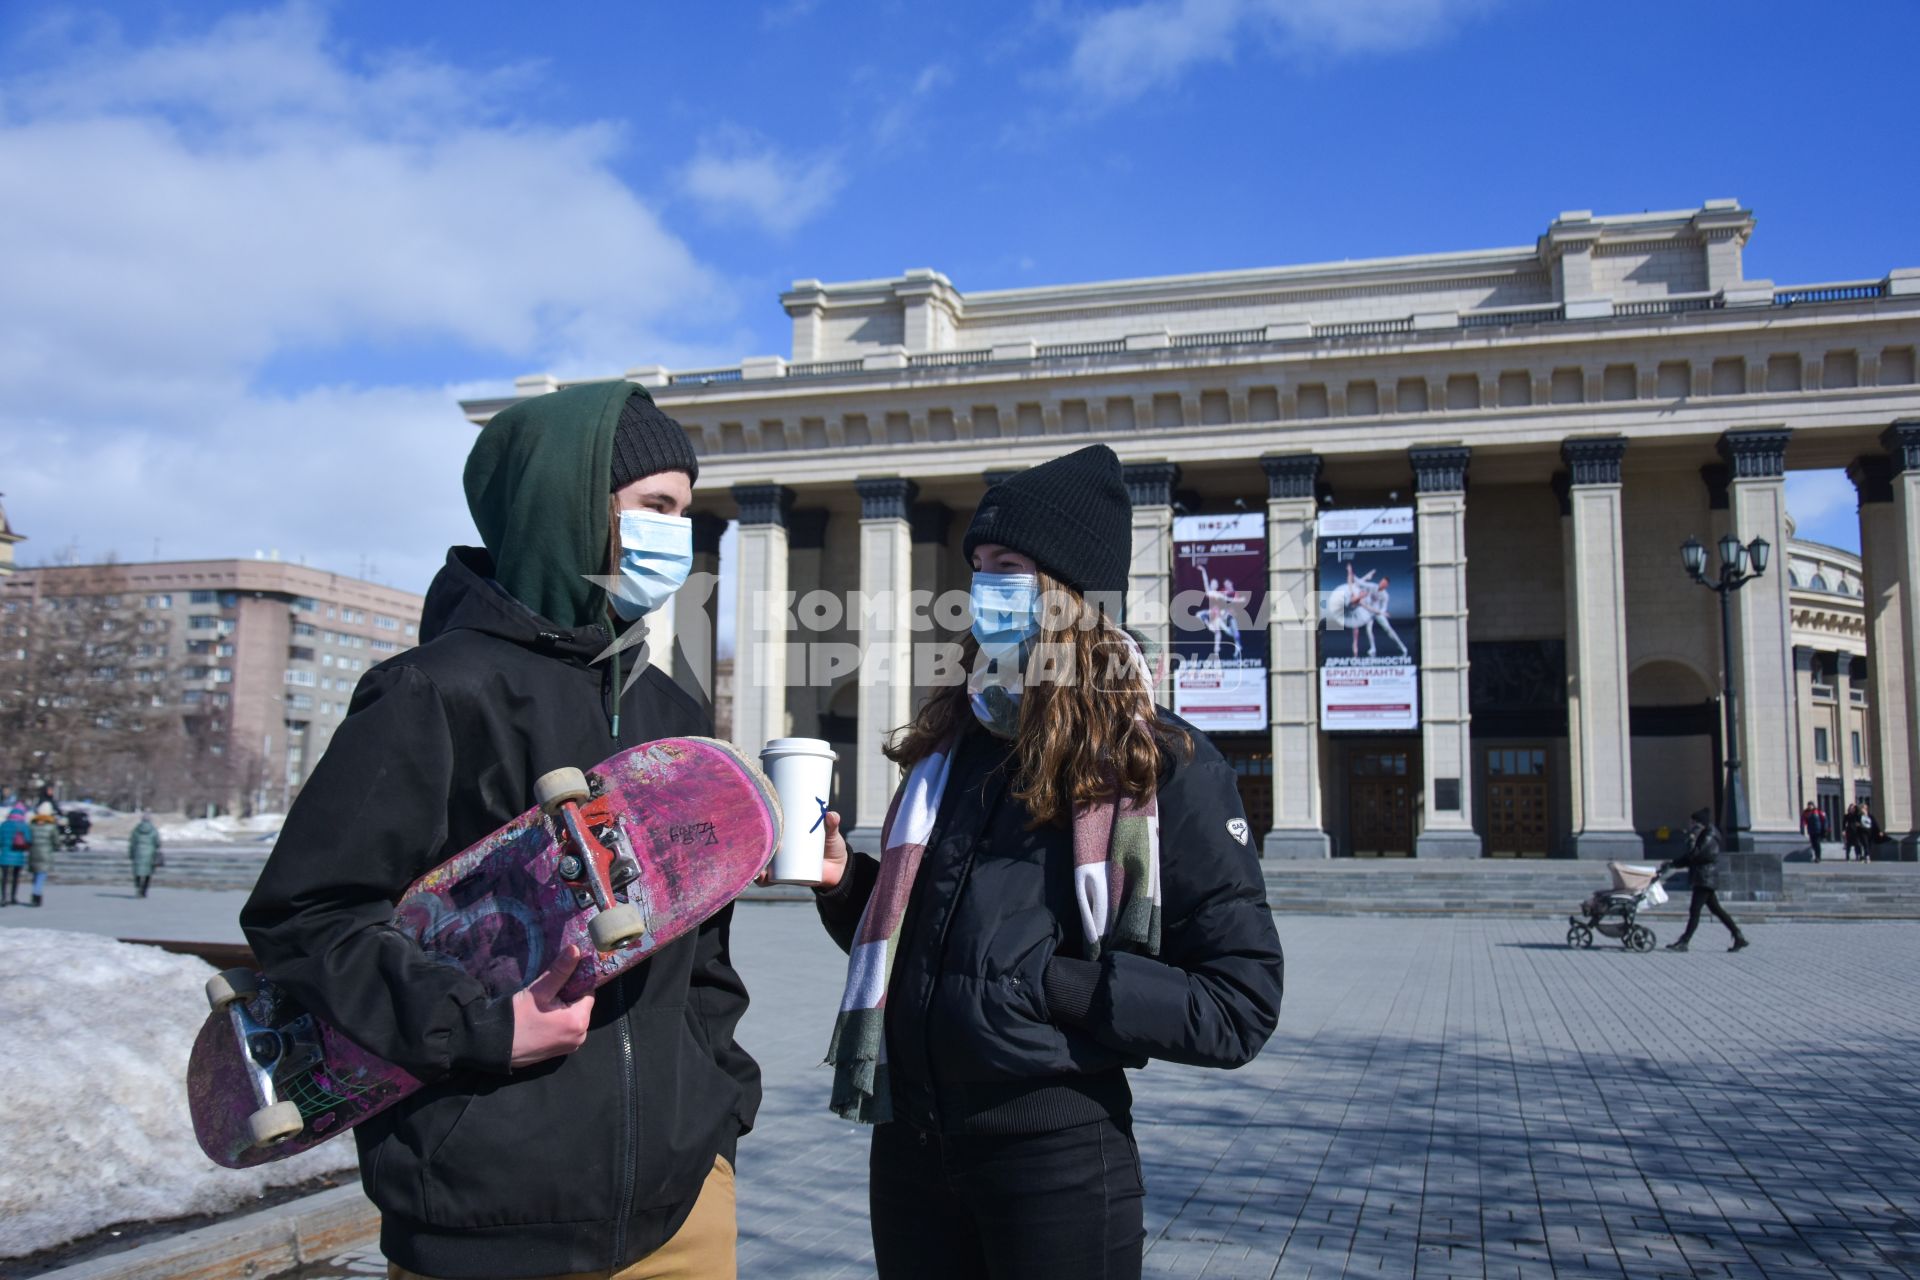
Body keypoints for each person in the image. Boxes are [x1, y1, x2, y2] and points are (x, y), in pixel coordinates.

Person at [241, 382, 759, 1280]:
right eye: (656, 508)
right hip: (487, 1219)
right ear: (568, 508)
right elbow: (309, 917)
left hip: (681, 1212)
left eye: (686, 509)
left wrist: (719, 1110)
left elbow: (702, 943)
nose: (679, 533)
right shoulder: (434, 691)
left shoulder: (671, 707)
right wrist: (478, 1027)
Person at [811, 444, 1285, 1279]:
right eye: (980, 565)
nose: (985, 587)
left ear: (1073, 593)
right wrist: (846, 886)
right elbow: (928, 951)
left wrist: (1054, 985)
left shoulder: (1161, 764)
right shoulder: (951, 750)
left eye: (1012, 566)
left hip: (1055, 1161)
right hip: (912, 1151)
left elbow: (1236, 1004)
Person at [1662, 808, 1749, 952]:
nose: (1690, 825)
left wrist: (1690, 840)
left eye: (1693, 822)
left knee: (1695, 910)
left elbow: (1695, 855)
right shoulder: (1705, 835)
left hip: (1705, 878)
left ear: (1699, 823)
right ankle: (1738, 937)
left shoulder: (1708, 836)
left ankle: (1684, 942)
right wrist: (1672, 863)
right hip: (1703, 877)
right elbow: (1691, 858)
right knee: (1717, 910)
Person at [0, 801, 28, 906]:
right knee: (15, 877)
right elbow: (28, 839)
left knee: (4, 877)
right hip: (18, 854)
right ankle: (13, 897)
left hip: (5, 854)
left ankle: (3, 897)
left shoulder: (4, 825)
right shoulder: (23, 825)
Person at [128, 814, 161, 897]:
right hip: (150, 853)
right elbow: (157, 842)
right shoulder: (153, 830)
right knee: (148, 873)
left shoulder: (136, 830)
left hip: (138, 852)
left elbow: (132, 843)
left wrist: (131, 854)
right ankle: (144, 890)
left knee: (137, 872)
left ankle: (138, 887)